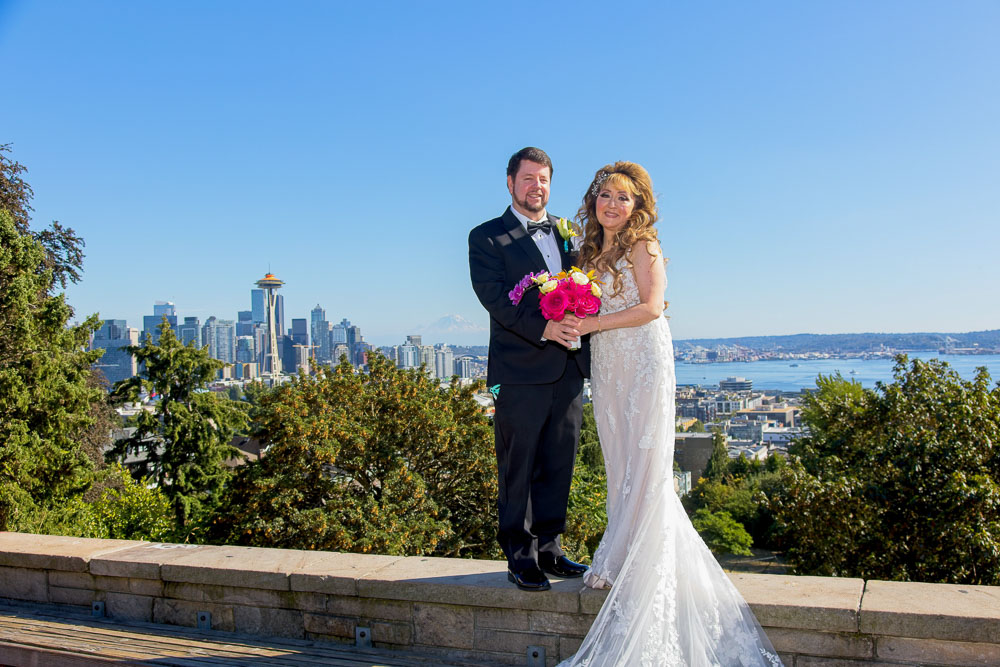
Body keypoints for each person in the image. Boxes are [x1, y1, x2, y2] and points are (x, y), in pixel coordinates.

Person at [561, 162, 782, 665]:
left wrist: (592, 323)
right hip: (610, 365)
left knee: (646, 464)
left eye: (624, 197)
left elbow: (652, 306)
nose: (613, 204)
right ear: (594, 200)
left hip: (642, 359)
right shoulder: (590, 251)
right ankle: (618, 554)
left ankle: (631, 562)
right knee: (619, 461)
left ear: (638, 205)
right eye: (605, 195)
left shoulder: (646, 245)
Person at [469, 147, 591, 592]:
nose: (535, 187)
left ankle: (550, 549)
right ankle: (520, 556)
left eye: (543, 179)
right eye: (527, 179)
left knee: (559, 461)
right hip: (520, 368)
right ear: (509, 182)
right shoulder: (485, 237)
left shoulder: (567, 233)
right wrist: (546, 329)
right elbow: (496, 300)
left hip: (569, 369)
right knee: (517, 466)